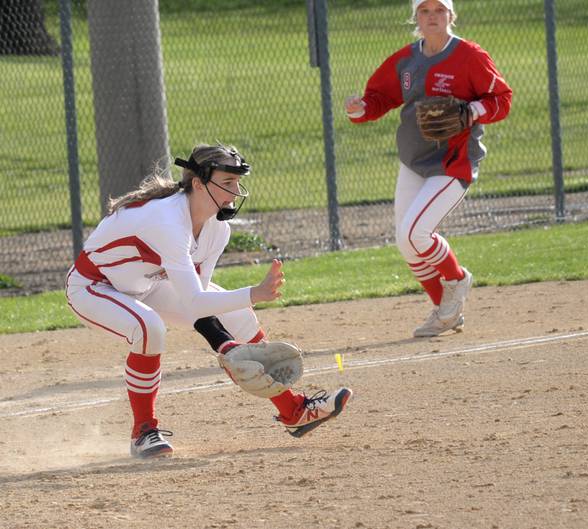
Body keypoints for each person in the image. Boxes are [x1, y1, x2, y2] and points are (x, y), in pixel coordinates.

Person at [64, 143, 352, 458]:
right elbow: (195, 301)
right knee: (149, 328)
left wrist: (225, 344)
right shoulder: (167, 220)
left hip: (146, 284)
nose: (235, 190)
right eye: (227, 182)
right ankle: (143, 432)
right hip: (94, 285)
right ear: (199, 183)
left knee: (238, 316)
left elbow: (196, 306)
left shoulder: (217, 230)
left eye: (237, 182)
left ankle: (294, 411)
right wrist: (253, 296)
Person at [345, 0, 512, 337]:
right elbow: (379, 98)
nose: (432, 17)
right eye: (425, 11)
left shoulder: (470, 56)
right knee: (407, 244)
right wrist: (360, 109)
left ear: (451, 16)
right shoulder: (406, 60)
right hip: (413, 159)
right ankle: (446, 313)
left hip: (453, 162)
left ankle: (457, 279)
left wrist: (471, 111)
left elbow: (502, 99)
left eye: (439, 11)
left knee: (416, 233)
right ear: (416, 18)